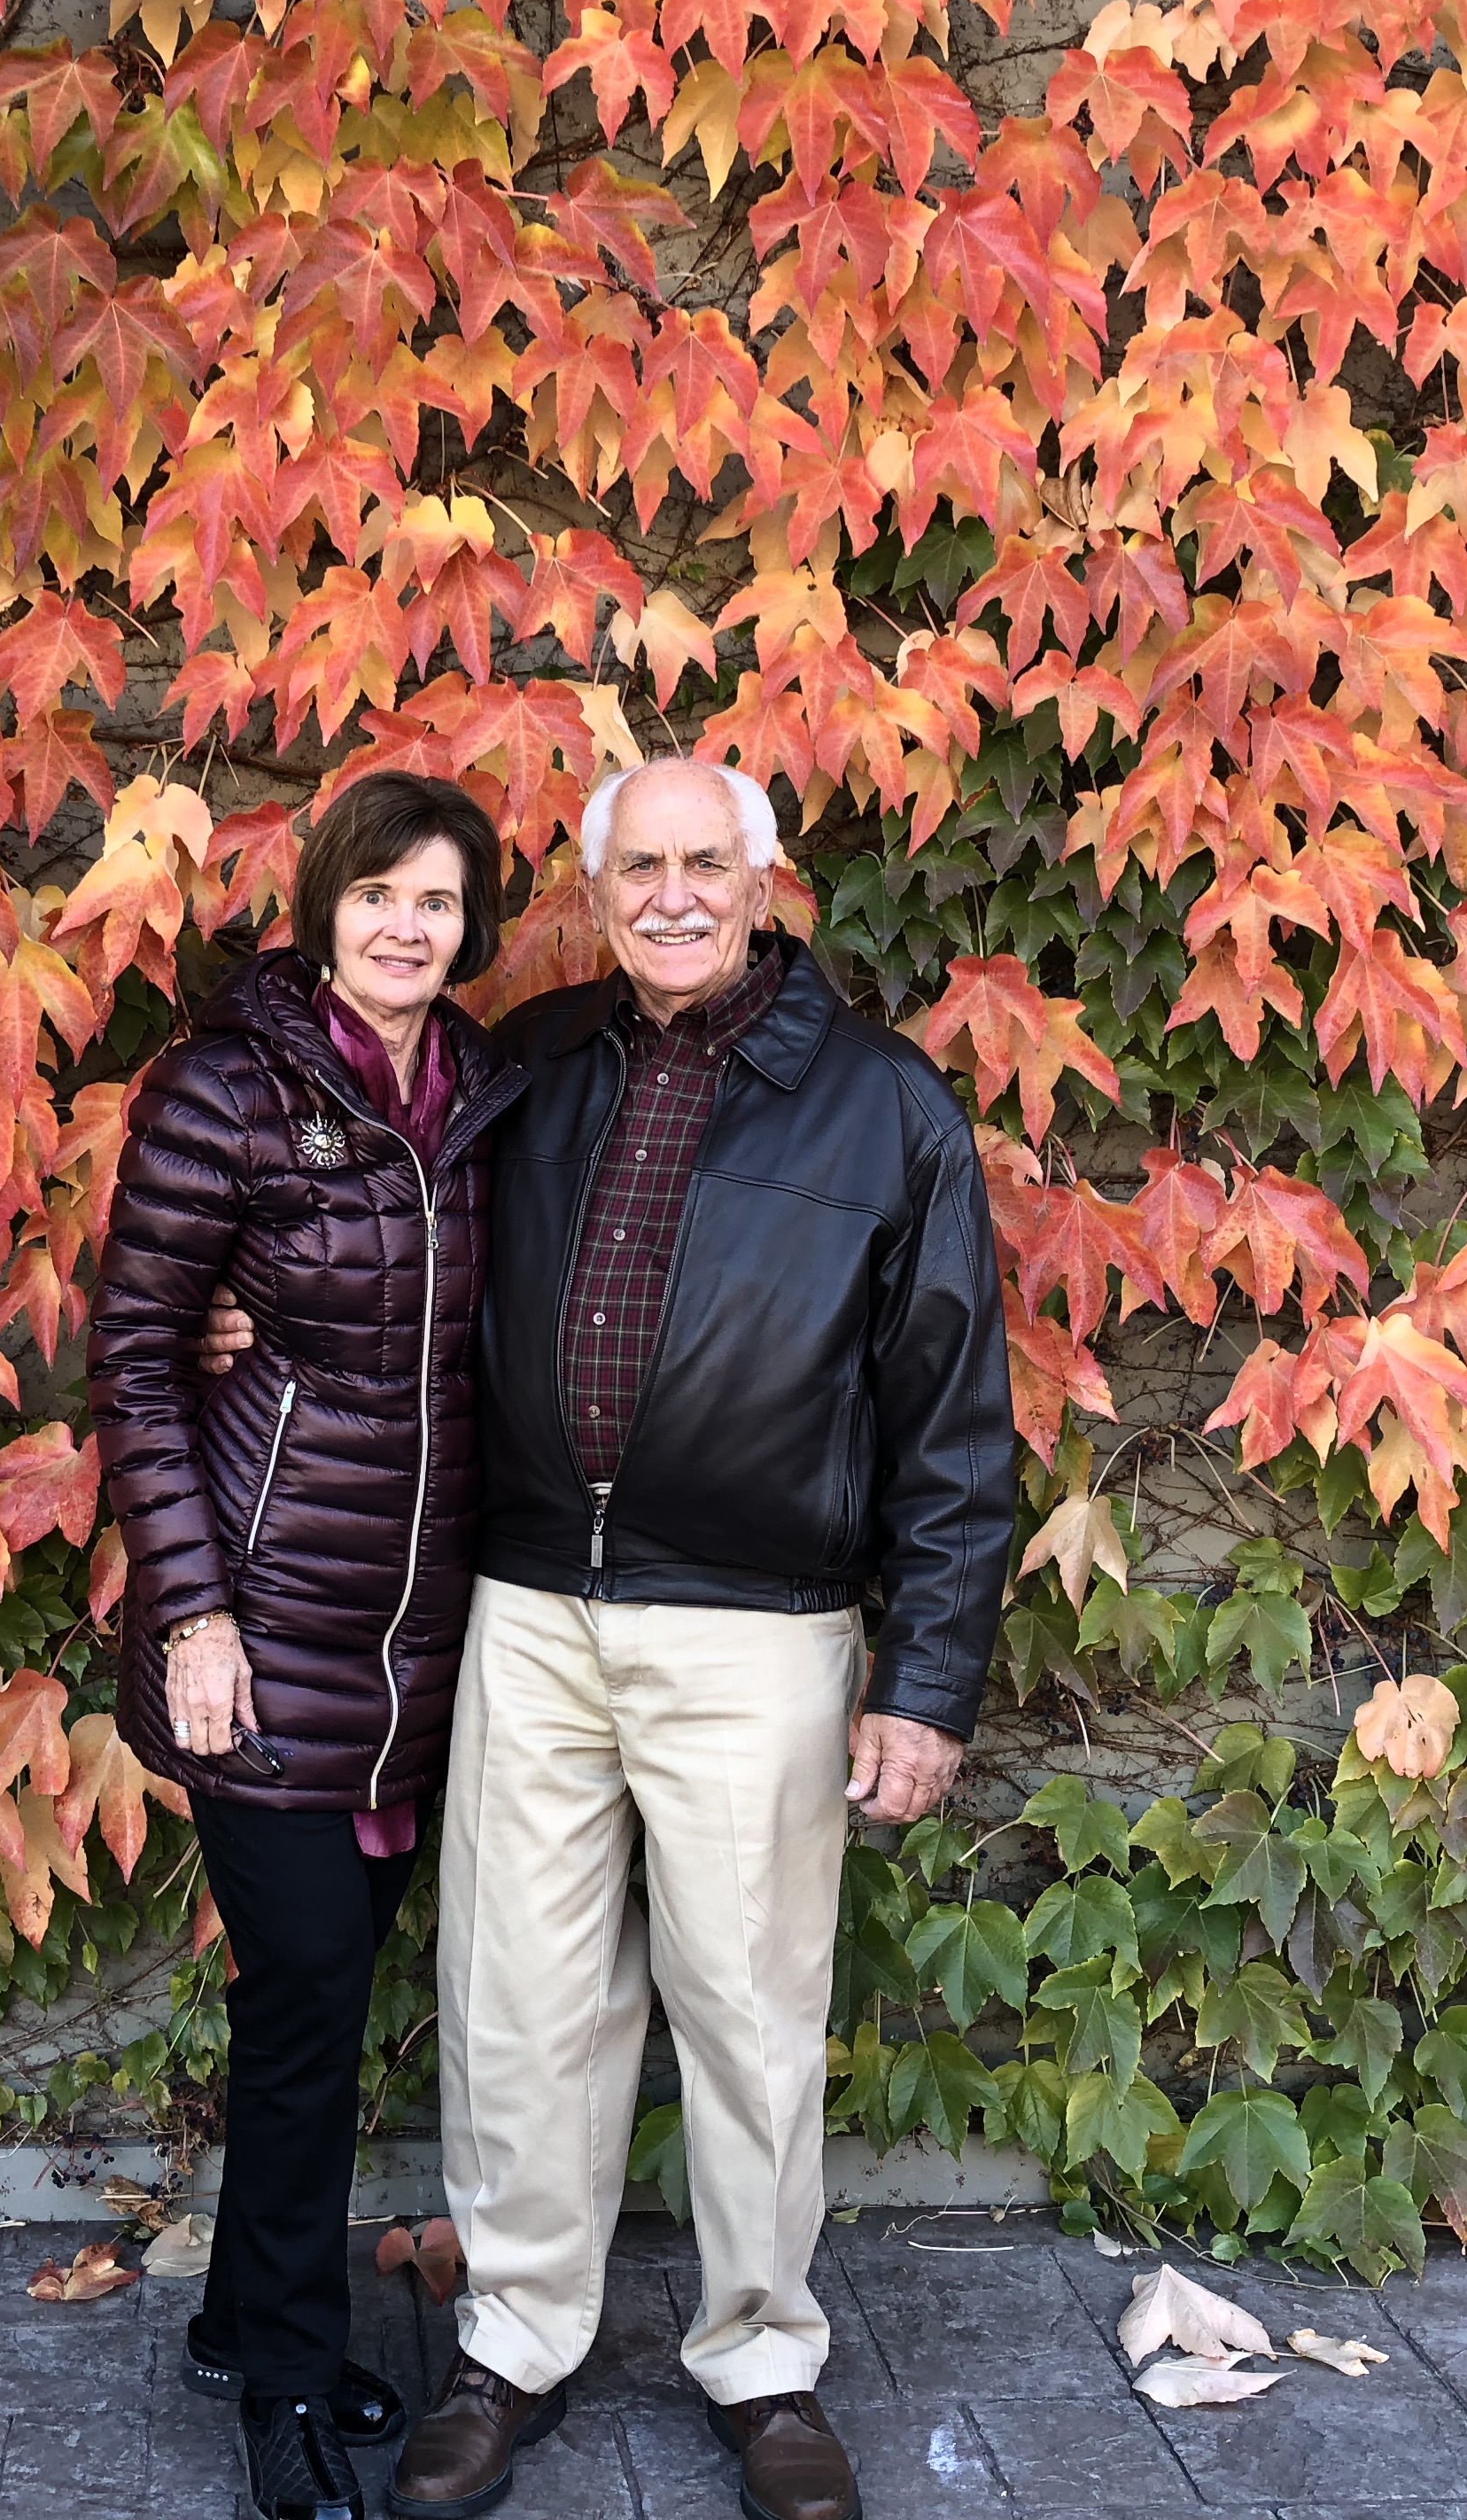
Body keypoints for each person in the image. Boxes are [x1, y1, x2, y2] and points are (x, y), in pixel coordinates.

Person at [204, 758, 1015, 2520]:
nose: (669, 895)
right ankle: (515, 2339)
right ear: (595, 887)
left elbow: (952, 1421)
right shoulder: (532, 1066)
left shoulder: (883, 1109)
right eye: (636, 866)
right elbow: (377, 1232)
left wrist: (928, 1683)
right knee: (519, 2002)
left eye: (701, 864)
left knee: (748, 2008)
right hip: (528, 1611)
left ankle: (764, 2360)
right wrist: (255, 1335)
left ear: (761, 875)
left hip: (759, 1626)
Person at [87, 769, 529, 2520]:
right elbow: (134, 1347)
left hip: (420, 1645)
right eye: (377, 894)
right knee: (309, 2012)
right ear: (324, 905)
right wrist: (190, 1609)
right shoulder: (228, 1090)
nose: (408, 926)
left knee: (324, 2008)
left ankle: (235, 2319)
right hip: (263, 1625)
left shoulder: (486, 1095)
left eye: (439, 901)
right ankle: (280, 2380)